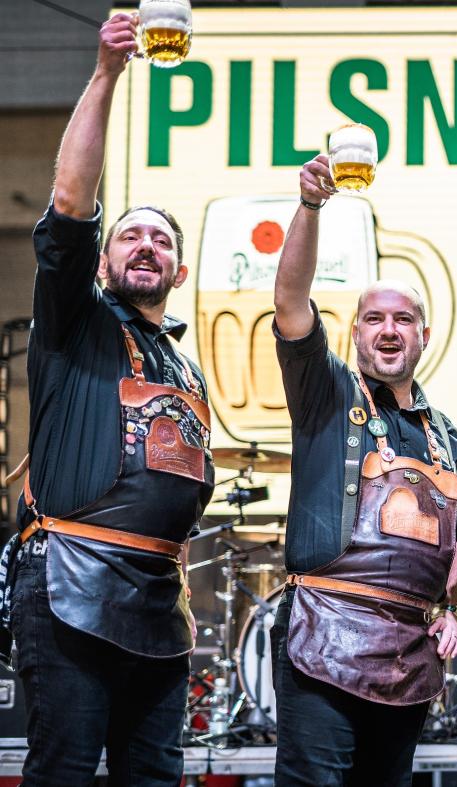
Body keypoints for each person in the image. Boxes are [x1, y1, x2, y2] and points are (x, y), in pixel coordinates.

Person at [5, 13, 214, 785]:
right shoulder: (77, 321)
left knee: (154, 778)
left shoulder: (185, 369)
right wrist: (105, 74)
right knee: (62, 771)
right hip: (72, 583)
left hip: (160, 607)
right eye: (130, 236)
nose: (146, 245)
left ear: (180, 273)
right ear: (101, 261)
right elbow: (70, 200)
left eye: (162, 240)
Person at [270, 155, 457, 786]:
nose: (389, 331)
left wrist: (454, 610)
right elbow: (289, 299)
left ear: (424, 335)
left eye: (403, 319)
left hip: (408, 655)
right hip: (324, 635)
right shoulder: (326, 392)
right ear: (355, 332)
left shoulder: (448, 436)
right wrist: (310, 207)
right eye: (375, 319)